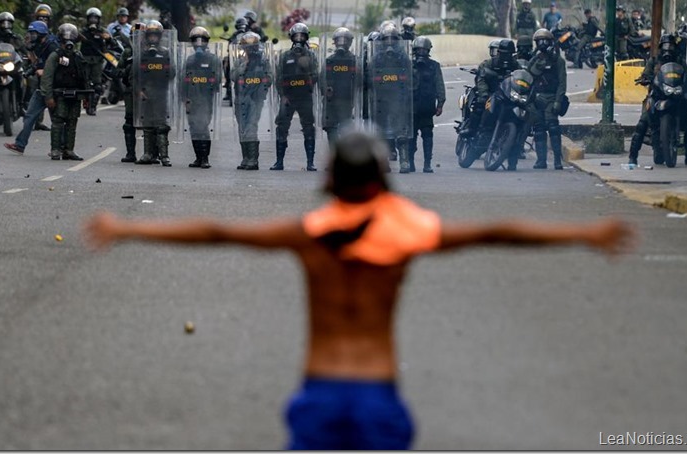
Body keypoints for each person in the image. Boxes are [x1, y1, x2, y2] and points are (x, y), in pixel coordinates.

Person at [83, 131, 635, 451]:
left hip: (319, 393)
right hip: (377, 395)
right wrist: (584, 233)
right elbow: (497, 233)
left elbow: (215, 231)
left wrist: (129, 228)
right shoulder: (406, 231)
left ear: (329, 180)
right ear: (381, 177)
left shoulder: (307, 235)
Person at [627, 34, 687, 166]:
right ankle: (632, 157)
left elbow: (686, 76)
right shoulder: (653, 61)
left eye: (671, 46)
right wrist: (645, 78)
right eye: (665, 46)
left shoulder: (680, 61)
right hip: (656, 96)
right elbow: (645, 74)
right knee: (642, 123)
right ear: (660, 48)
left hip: (677, 96)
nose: (668, 49)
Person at [4, 21, 59, 155]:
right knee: (29, 116)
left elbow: (56, 66)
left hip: (53, 88)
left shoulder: (52, 46)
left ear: (41, 34)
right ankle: (20, 145)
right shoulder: (38, 46)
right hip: (42, 88)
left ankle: (59, 149)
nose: (31, 36)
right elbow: (36, 62)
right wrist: (30, 50)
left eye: (34, 33)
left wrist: (44, 71)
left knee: (57, 120)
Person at [270, 22, 319, 172]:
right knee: (282, 127)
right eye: (296, 36)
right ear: (291, 37)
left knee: (309, 128)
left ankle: (310, 162)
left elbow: (316, 75)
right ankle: (279, 162)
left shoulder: (311, 55)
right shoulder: (285, 56)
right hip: (289, 98)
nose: (299, 38)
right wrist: (282, 95)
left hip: (305, 96)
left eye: (302, 36)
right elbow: (278, 77)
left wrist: (307, 72)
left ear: (306, 38)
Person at [367, 23, 412, 172]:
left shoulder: (403, 57)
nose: (390, 42)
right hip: (381, 99)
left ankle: (404, 161)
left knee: (401, 131)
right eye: (386, 39)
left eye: (393, 38)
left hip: (398, 98)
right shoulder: (377, 58)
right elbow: (369, 77)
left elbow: (411, 77)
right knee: (380, 133)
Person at [42, 23, 89, 161]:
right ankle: (55, 150)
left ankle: (69, 150)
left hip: (75, 94)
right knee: (58, 122)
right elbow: (47, 77)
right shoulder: (55, 56)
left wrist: (86, 96)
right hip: (59, 94)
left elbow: (83, 76)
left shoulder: (77, 56)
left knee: (72, 122)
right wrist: (48, 96)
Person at [134, 20, 174, 167]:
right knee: (147, 125)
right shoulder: (142, 54)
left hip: (161, 92)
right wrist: (139, 90)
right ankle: (147, 154)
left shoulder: (165, 53)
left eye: (155, 36)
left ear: (159, 37)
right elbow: (136, 75)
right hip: (146, 94)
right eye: (150, 36)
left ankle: (164, 156)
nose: (152, 39)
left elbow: (172, 73)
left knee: (161, 125)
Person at [527, 28, 567, 170]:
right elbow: (527, 76)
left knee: (553, 128)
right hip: (537, 99)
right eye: (539, 42)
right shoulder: (535, 60)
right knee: (539, 129)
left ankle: (557, 160)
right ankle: (541, 160)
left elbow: (562, 83)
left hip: (551, 98)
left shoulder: (558, 61)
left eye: (544, 41)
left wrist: (558, 101)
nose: (542, 44)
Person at [182, 26, 222, 169]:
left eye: (202, 41)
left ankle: (205, 158)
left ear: (207, 42)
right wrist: (184, 99)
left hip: (205, 99)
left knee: (203, 127)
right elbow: (184, 80)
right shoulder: (189, 60)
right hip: (192, 100)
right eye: (195, 41)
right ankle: (198, 158)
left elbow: (217, 80)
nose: (199, 44)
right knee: (193, 128)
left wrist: (206, 84)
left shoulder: (213, 59)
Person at [232, 31, 272, 171]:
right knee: (242, 128)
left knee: (251, 127)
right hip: (240, 99)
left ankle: (253, 160)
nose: (249, 50)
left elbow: (269, 79)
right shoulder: (239, 61)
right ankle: (245, 158)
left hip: (255, 99)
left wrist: (260, 90)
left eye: (252, 47)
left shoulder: (263, 62)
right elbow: (233, 77)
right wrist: (245, 64)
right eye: (246, 48)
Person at [408, 36, 444, 173]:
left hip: (427, 107)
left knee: (428, 136)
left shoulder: (434, 66)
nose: (421, 52)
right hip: (411, 107)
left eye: (424, 50)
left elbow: (439, 85)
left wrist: (440, 103)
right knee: (411, 137)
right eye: (419, 50)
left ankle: (427, 163)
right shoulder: (408, 65)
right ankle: (410, 162)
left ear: (428, 50)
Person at [320, 27, 359, 151]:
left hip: (347, 101)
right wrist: (325, 89)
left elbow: (359, 80)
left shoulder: (354, 61)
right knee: (330, 127)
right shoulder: (329, 60)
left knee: (346, 129)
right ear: (334, 42)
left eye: (345, 40)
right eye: (339, 40)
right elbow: (322, 79)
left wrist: (355, 97)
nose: (342, 43)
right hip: (331, 101)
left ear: (350, 42)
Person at [116, 22, 143, 163]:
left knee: (152, 125)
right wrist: (127, 69)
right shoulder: (127, 52)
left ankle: (152, 154)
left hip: (149, 92)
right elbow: (117, 71)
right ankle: (130, 153)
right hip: (131, 92)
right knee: (129, 122)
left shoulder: (151, 50)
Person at [80, 7, 113, 116]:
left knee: (97, 85)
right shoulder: (83, 31)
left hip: (98, 60)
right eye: (91, 18)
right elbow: (74, 37)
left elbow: (111, 40)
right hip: (84, 59)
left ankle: (93, 106)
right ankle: (83, 102)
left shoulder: (102, 31)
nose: (93, 20)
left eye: (95, 18)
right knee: (82, 83)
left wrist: (107, 37)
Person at [222, 17, 249, 106]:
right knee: (225, 61)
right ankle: (227, 82)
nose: (242, 27)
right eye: (240, 25)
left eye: (243, 25)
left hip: (246, 55)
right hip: (235, 55)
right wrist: (230, 43)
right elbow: (229, 47)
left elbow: (255, 44)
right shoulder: (234, 35)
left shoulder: (249, 35)